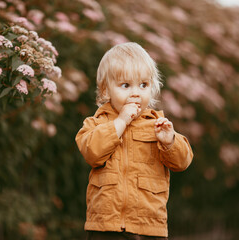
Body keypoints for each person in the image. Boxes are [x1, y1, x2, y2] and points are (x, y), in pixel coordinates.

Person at [75, 42, 193, 240]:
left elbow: (182, 162)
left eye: (143, 85)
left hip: (148, 225)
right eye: (125, 85)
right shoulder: (96, 123)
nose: (136, 92)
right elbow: (92, 152)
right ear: (105, 91)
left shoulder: (156, 125)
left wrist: (170, 142)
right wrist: (120, 121)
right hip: (105, 226)